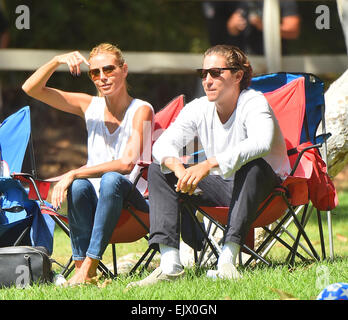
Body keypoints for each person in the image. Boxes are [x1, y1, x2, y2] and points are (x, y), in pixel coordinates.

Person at [127, 45, 291, 288]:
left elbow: (261, 143)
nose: (208, 80)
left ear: (237, 76)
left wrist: (207, 164)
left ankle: (227, 260)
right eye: (203, 74)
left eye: (216, 73)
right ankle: (170, 265)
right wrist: (179, 169)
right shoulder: (198, 108)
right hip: (223, 187)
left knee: (252, 165)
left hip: (265, 189)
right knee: (158, 169)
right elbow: (162, 144)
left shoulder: (254, 102)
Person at [22, 43, 154, 286]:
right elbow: (30, 88)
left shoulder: (142, 109)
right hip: (94, 203)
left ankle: (89, 267)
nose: (102, 77)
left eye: (109, 69)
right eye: (95, 72)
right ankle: (85, 272)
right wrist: (56, 60)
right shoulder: (89, 105)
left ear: (124, 70)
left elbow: (126, 164)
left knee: (109, 179)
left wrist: (74, 172)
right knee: (80, 186)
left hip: (134, 202)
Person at [203, 1, 300, 55]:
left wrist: (265, 26)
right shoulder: (228, 4)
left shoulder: (282, 2)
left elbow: (293, 30)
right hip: (237, 65)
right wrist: (231, 26)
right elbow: (216, 35)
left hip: (272, 66)